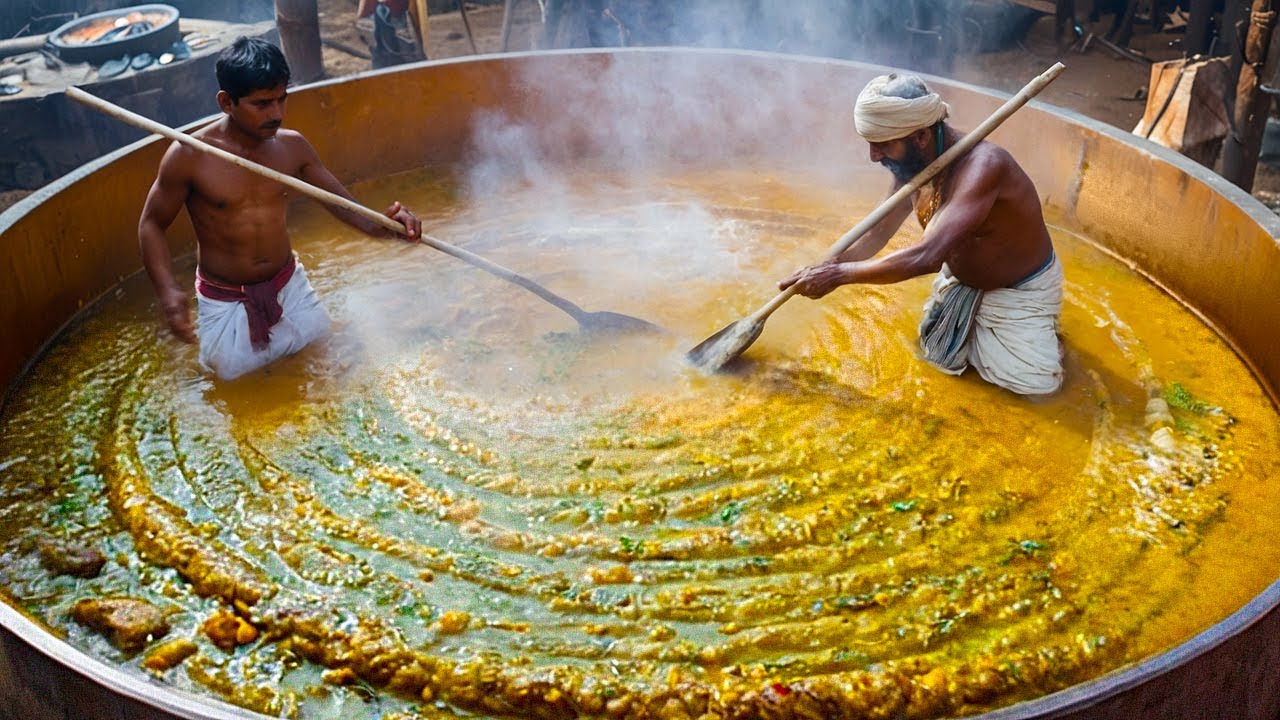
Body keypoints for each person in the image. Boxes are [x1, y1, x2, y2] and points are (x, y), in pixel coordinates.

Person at [137, 36, 422, 380]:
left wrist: (389, 225)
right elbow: (151, 224)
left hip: (291, 288)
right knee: (235, 392)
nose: (276, 114)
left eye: (281, 99)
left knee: (336, 372)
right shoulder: (190, 157)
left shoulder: (291, 148)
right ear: (227, 102)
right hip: (226, 300)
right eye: (262, 104)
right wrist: (168, 291)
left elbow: (344, 206)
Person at [778, 73, 1064, 396]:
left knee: (1037, 391)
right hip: (962, 283)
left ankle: (1044, 333)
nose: (873, 156)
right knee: (938, 360)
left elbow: (928, 256)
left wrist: (839, 275)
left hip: (1018, 292)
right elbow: (877, 231)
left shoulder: (984, 166)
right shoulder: (912, 165)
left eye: (882, 145)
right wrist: (826, 265)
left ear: (922, 137)